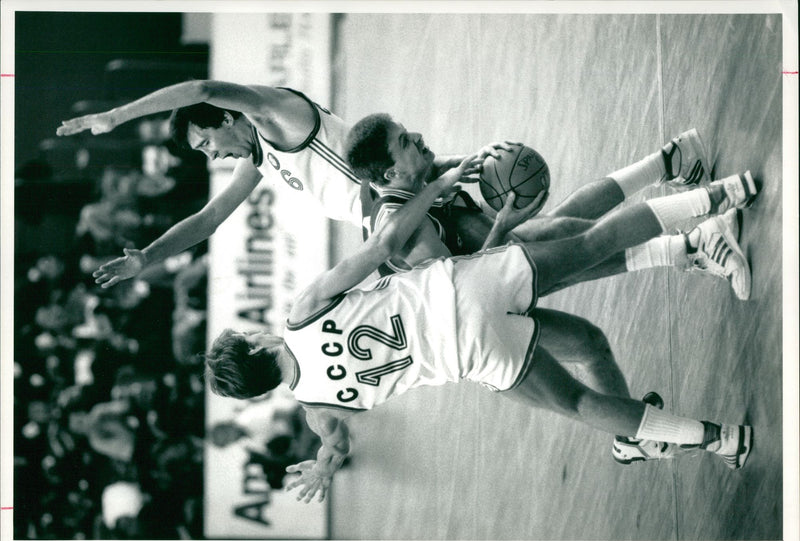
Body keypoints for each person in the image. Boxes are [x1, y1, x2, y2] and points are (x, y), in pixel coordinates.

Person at [204, 157, 754, 504]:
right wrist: (435, 185)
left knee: (583, 403)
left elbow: (336, 447)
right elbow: (379, 249)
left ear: (260, 387)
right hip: (464, 287)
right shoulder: (301, 313)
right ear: (255, 344)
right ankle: (723, 194)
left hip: (469, 353)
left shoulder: (316, 410)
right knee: (589, 244)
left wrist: (324, 469)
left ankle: (720, 438)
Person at [55, 80, 489, 288]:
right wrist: (147, 257)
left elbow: (203, 88)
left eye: (206, 142)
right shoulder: (259, 160)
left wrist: (117, 116)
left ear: (226, 117)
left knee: (495, 277)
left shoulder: (278, 117)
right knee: (494, 278)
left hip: (402, 203)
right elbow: (208, 219)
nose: (212, 156)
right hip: (391, 215)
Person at [347, 113, 758, 299]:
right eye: (404, 141)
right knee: (559, 256)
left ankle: (693, 236)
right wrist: (504, 223)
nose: (416, 136)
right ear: (388, 177)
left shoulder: (404, 177)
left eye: (405, 131)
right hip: (466, 287)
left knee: (566, 250)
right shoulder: (410, 239)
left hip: (470, 242)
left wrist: (479, 156)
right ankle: (671, 167)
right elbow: (470, 278)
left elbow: (432, 169)